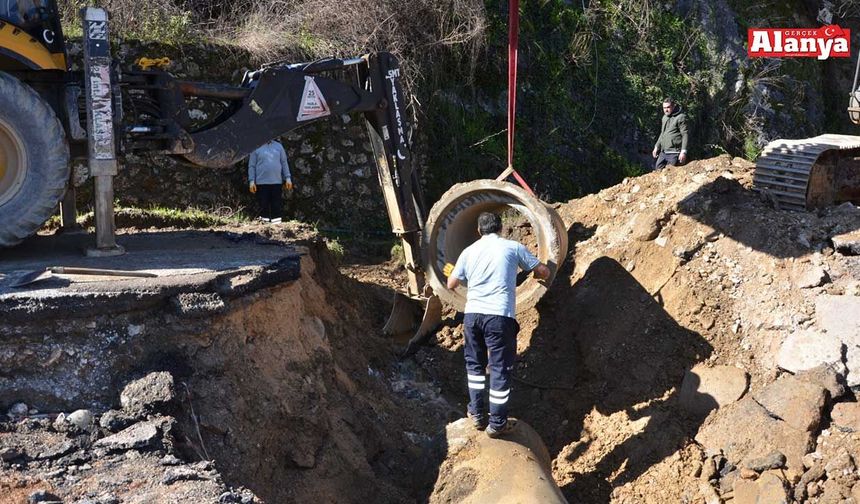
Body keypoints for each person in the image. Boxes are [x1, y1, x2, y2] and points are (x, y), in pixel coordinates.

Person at [444, 212, 550, 438]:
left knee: (474, 367)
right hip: (499, 316)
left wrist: (456, 270)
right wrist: (545, 269)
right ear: (501, 228)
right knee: (499, 368)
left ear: (478, 231)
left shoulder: (468, 251)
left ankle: (477, 415)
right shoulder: (513, 247)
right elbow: (542, 271)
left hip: (472, 316)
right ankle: (497, 423)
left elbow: (451, 283)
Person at [248, 139, 293, 223]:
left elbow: (284, 162)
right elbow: (252, 166)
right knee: (263, 205)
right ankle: (264, 227)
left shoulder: (279, 146)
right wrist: (251, 181)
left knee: (276, 205)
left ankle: (277, 226)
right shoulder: (256, 147)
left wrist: (288, 178)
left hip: (277, 183)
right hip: (261, 183)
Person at [652, 97, 689, 171]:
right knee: (657, 169)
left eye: (668, 107)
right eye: (664, 108)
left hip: (674, 152)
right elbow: (662, 133)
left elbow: (685, 134)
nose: (666, 109)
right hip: (663, 152)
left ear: (673, 106)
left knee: (670, 173)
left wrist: (683, 151)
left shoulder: (681, 117)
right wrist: (656, 147)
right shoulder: (664, 117)